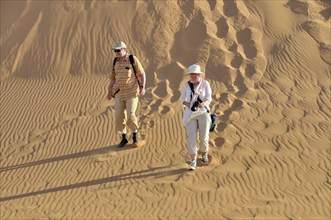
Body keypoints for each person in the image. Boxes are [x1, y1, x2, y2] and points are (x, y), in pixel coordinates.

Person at [107, 41, 146, 147]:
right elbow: (112, 78)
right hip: (119, 92)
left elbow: (142, 74)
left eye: (118, 50)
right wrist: (109, 92)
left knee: (130, 115)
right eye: (115, 51)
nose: (116, 52)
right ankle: (124, 138)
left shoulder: (132, 59)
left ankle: (134, 135)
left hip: (132, 92)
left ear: (124, 50)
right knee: (119, 116)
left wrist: (142, 87)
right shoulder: (116, 61)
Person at [180, 64, 212, 170]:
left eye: (196, 74)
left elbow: (209, 98)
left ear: (199, 74)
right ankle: (193, 161)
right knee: (191, 138)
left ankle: (204, 155)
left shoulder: (205, 84)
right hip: (190, 114)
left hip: (203, 112)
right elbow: (182, 100)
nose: (194, 76)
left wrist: (203, 104)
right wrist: (189, 105)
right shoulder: (186, 85)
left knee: (204, 137)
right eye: (192, 74)